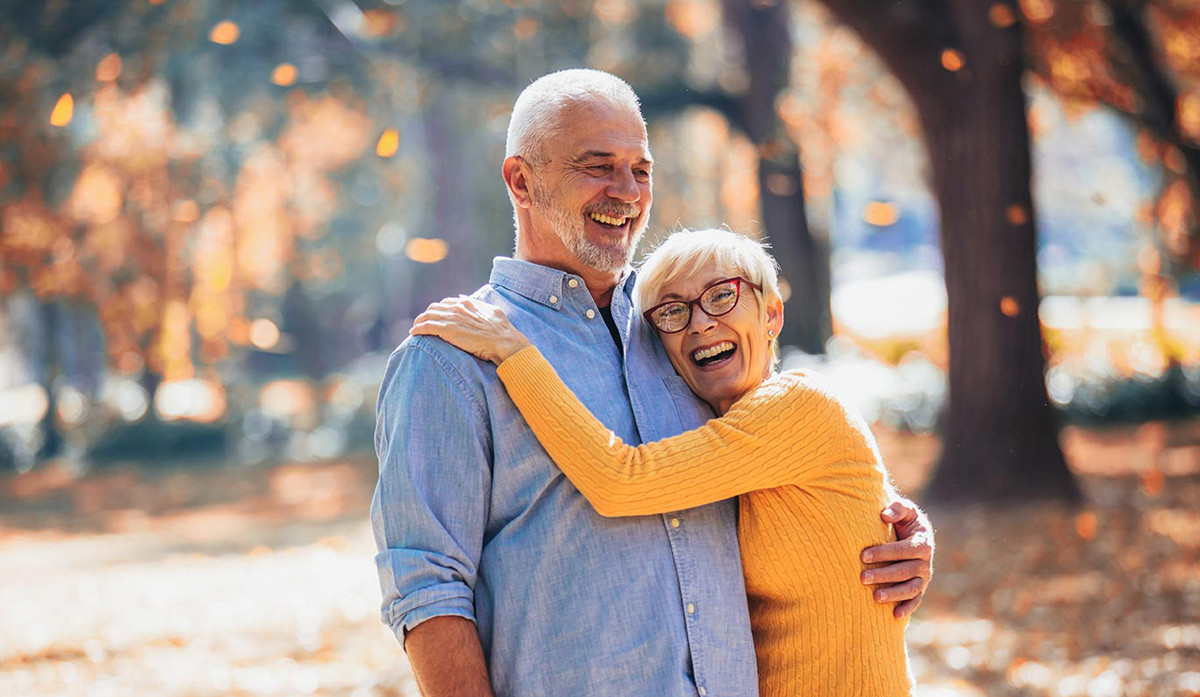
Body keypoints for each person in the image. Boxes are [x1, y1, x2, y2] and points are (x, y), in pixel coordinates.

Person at [372, 69, 933, 697]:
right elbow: (427, 588)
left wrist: (897, 533)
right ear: (521, 180)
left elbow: (783, 465)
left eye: (641, 170)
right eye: (597, 166)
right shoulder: (451, 357)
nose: (627, 192)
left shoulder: (682, 326)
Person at [412, 228, 914, 695]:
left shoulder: (799, 407)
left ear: (771, 315)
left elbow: (620, 481)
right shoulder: (715, 436)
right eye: (673, 312)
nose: (700, 323)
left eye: (722, 295)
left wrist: (513, 351)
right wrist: (912, 534)